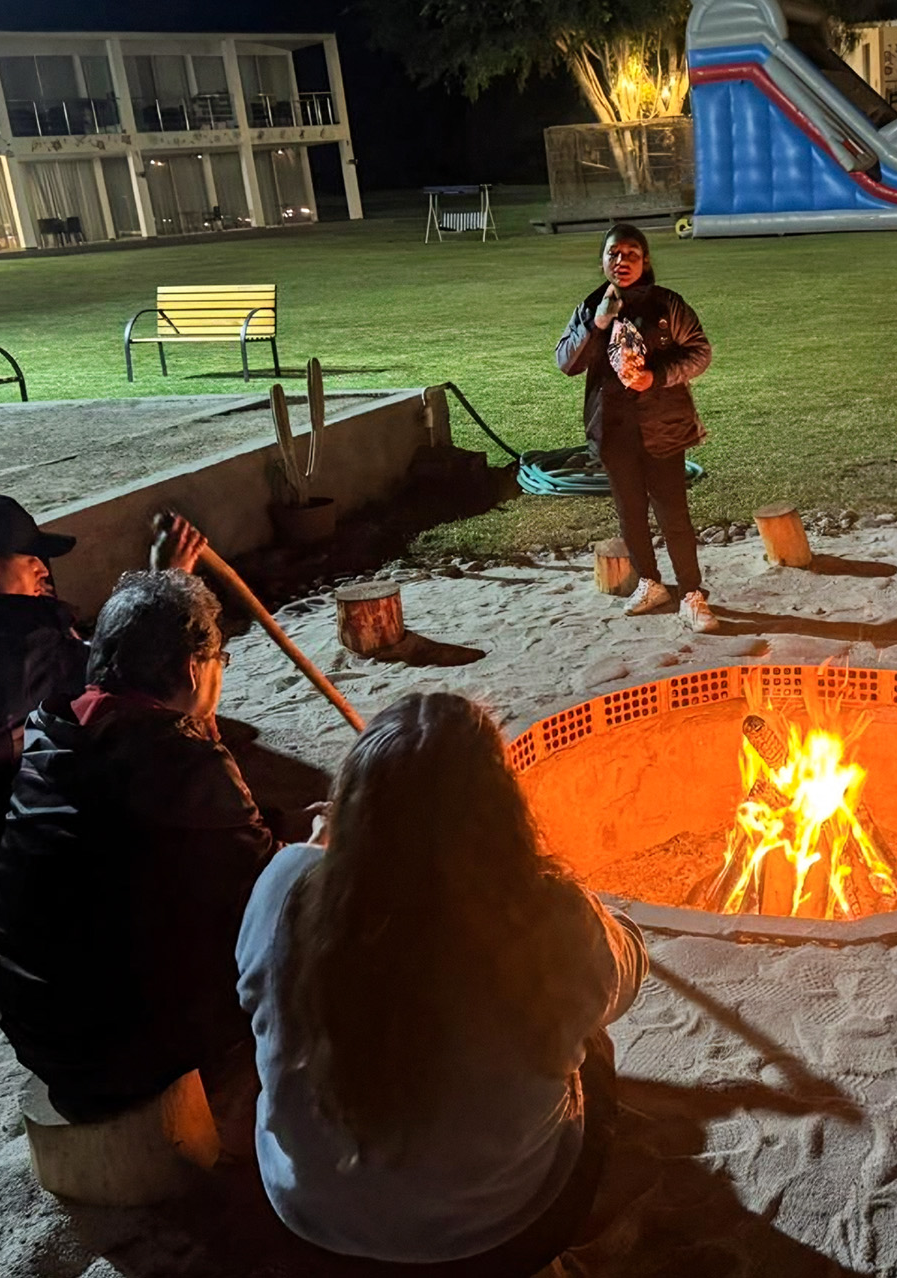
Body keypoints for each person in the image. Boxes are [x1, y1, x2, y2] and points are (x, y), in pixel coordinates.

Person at [236, 692, 647, 1273]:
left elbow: (252, 994)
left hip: (315, 1221)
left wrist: (320, 850)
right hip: (501, 1233)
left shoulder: (285, 888)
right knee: (593, 1047)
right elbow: (625, 977)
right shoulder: (549, 917)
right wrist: (594, 917)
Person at [0, 568, 276, 1121]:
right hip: (124, 1053)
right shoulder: (180, 760)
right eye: (220, 660)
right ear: (193, 668)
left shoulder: (54, 734)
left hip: (36, 1030)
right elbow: (268, 889)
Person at [0, 495, 203, 955]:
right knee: (158, 739)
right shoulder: (2, 646)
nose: (44, 571)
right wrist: (166, 584)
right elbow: (123, 674)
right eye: (32, 560)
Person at [556, 222, 718, 634]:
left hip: (662, 426)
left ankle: (691, 593)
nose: (621, 261)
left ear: (645, 261)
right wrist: (597, 325)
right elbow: (566, 363)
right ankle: (650, 583)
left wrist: (656, 377)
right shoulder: (592, 306)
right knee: (630, 512)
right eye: (613, 254)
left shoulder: (667, 305)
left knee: (672, 512)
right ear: (602, 261)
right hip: (613, 428)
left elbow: (699, 352)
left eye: (631, 254)